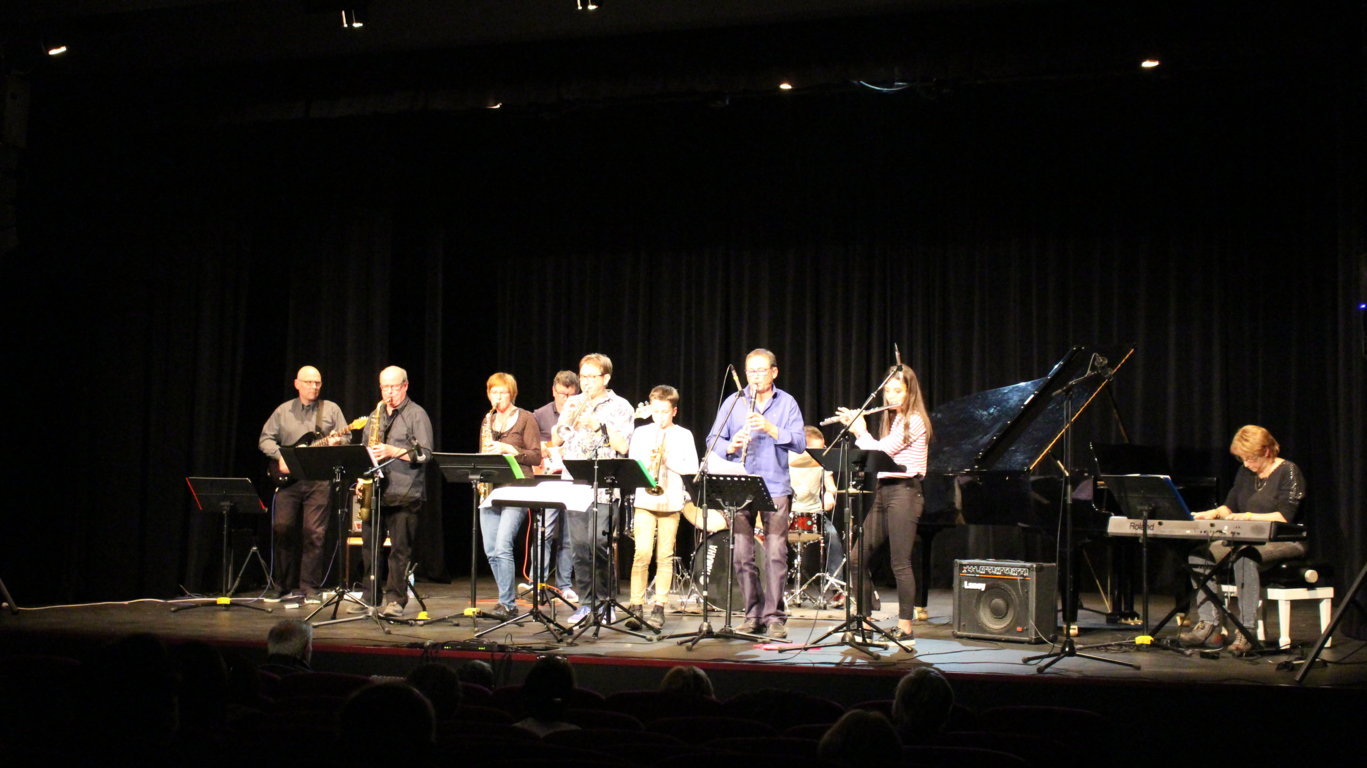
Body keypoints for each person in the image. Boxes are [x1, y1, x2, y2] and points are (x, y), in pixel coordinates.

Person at [705, 348, 806, 639]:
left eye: (761, 371)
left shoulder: (786, 403)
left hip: (775, 486)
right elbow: (713, 439)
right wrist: (730, 445)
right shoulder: (734, 401)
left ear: (774, 372)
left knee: (775, 554)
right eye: (751, 371)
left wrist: (772, 429)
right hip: (740, 484)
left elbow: (800, 442)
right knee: (741, 554)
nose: (755, 377)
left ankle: (774, 617)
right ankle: (752, 614)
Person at [1181, 424, 1307, 654]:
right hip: (1247, 539)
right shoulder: (1245, 473)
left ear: (1267, 451)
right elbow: (1230, 506)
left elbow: (1284, 517)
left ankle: (1246, 631)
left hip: (1285, 540)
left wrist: (1248, 516)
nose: (1247, 464)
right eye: (1243, 459)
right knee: (1199, 555)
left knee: (1245, 557)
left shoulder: (1288, 471)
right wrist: (1213, 513)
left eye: (1251, 459)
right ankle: (1209, 625)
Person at [835, 365, 931, 643]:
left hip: (905, 492)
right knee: (856, 558)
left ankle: (906, 628)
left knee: (899, 562)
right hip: (884, 490)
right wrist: (859, 431)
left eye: (897, 391)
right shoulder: (894, 420)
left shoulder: (914, 420)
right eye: (888, 391)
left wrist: (860, 431)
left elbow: (882, 453)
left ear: (910, 392)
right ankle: (863, 621)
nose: (891, 396)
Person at [551, 353, 634, 625]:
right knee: (579, 548)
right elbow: (557, 439)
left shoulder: (621, 406)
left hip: (605, 487)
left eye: (591, 377)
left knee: (599, 544)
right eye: (583, 376)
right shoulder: (573, 402)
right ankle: (586, 604)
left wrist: (599, 426)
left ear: (605, 378)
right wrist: (568, 418)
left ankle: (606, 601)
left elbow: (624, 446)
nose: (585, 382)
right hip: (575, 485)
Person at [258, 365, 350, 603]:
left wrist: (337, 442)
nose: (314, 386)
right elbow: (265, 439)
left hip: (319, 480)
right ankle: (281, 586)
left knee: (314, 534)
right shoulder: (283, 410)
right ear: (297, 384)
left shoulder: (331, 409)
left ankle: (310, 587)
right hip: (289, 482)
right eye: (309, 382)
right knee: (282, 529)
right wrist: (281, 457)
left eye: (317, 382)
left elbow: (347, 437)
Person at [358, 365, 434, 619]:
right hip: (377, 492)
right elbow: (364, 450)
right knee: (369, 548)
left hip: (405, 492)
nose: (388, 392)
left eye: (393, 387)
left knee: (399, 551)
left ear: (405, 386)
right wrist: (361, 477)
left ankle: (395, 600)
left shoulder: (416, 414)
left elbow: (425, 454)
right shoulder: (376, 414)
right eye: (384, 387)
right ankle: (369, 596)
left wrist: (393, 451)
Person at [625, 385, 700, 630]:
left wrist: (668, 460)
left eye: (665, 412)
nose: (659, 417)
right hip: (645, 501)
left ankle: (659, 606)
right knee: (642, 553)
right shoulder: (641, 433)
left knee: (665, 556)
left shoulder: (684, 435)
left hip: (671, 501)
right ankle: (636, 605)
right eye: (656, 411)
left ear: (674, 411)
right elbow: (633, 464)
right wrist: (648, 462)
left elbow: (692, 468)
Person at [477, 372, 542, 620]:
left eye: (503, 392)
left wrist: (509, 449)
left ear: (511, 394)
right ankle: (506, 598)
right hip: (491, 488)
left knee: (503, 545)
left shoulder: (526, 418)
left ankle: (507, 604)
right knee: (490, 549)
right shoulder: (488, 420)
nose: (498, 397)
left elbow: (536, 456)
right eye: (494, 392)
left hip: (517, 487)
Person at [531, 370, 580, 603]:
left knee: (569, 536)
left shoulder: (581, 412)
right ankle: (537, 582)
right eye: (562, 394)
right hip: (549, 480)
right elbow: (532, 446)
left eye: (571, 395)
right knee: (545, 531)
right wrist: (550, 447)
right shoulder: (540, 415)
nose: (566, 399)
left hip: (573, 480)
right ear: (553, 391)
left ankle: (564, 584)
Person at [790, 425, 845, 587]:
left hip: (813, 513)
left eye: (823, 448)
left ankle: (836, 586)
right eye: (817, 449)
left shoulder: (822, 460)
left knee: (833, 537)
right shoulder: (786, 458)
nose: (821, 452)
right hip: (788, 513)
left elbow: (831, 486)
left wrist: (829, 494)